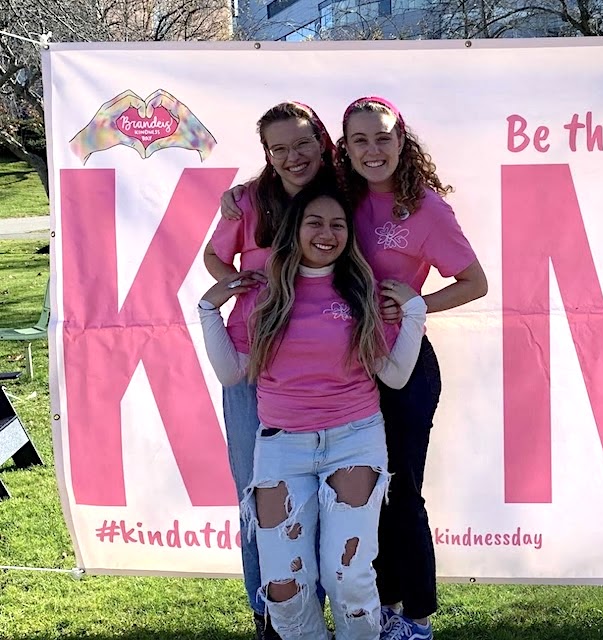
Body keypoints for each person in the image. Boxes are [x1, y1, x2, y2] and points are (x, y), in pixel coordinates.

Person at [221, 96, 488, 640]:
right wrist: (240, 195)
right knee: (319, 504)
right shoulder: (341, 195)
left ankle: (411, 617)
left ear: (402, 139)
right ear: (341, 148)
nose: (373, 149)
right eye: (359, 140)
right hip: (336, 368)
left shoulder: (425, 207)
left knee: (400, 493)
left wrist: (415, 304)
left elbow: (474, 281)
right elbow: (285, 173)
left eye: (383, 137)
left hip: (399, 366)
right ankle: (296, 615)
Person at [199, 183, 428, 640]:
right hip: (282, 449)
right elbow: (233, 372)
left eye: (338, 225)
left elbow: (396, 375)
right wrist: (208, 308)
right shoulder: (261, 296)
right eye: (315, 223)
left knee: (350, 579)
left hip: (354, 441)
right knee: (282, 588)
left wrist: (415, 310)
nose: (327, 234)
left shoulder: (363, 291)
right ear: (294, 230)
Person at [204, 101, 337, 640]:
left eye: (301, 143)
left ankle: (314, 612)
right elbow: (216, 258)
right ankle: (270, 619)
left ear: (322, 142)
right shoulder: (248, 200)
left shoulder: (341, 197)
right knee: (256, 497)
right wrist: (235, 282)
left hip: (321, 367)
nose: (292, 156)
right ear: (266, 154)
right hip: (251, 361)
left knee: (319, 497)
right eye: (278, 148)